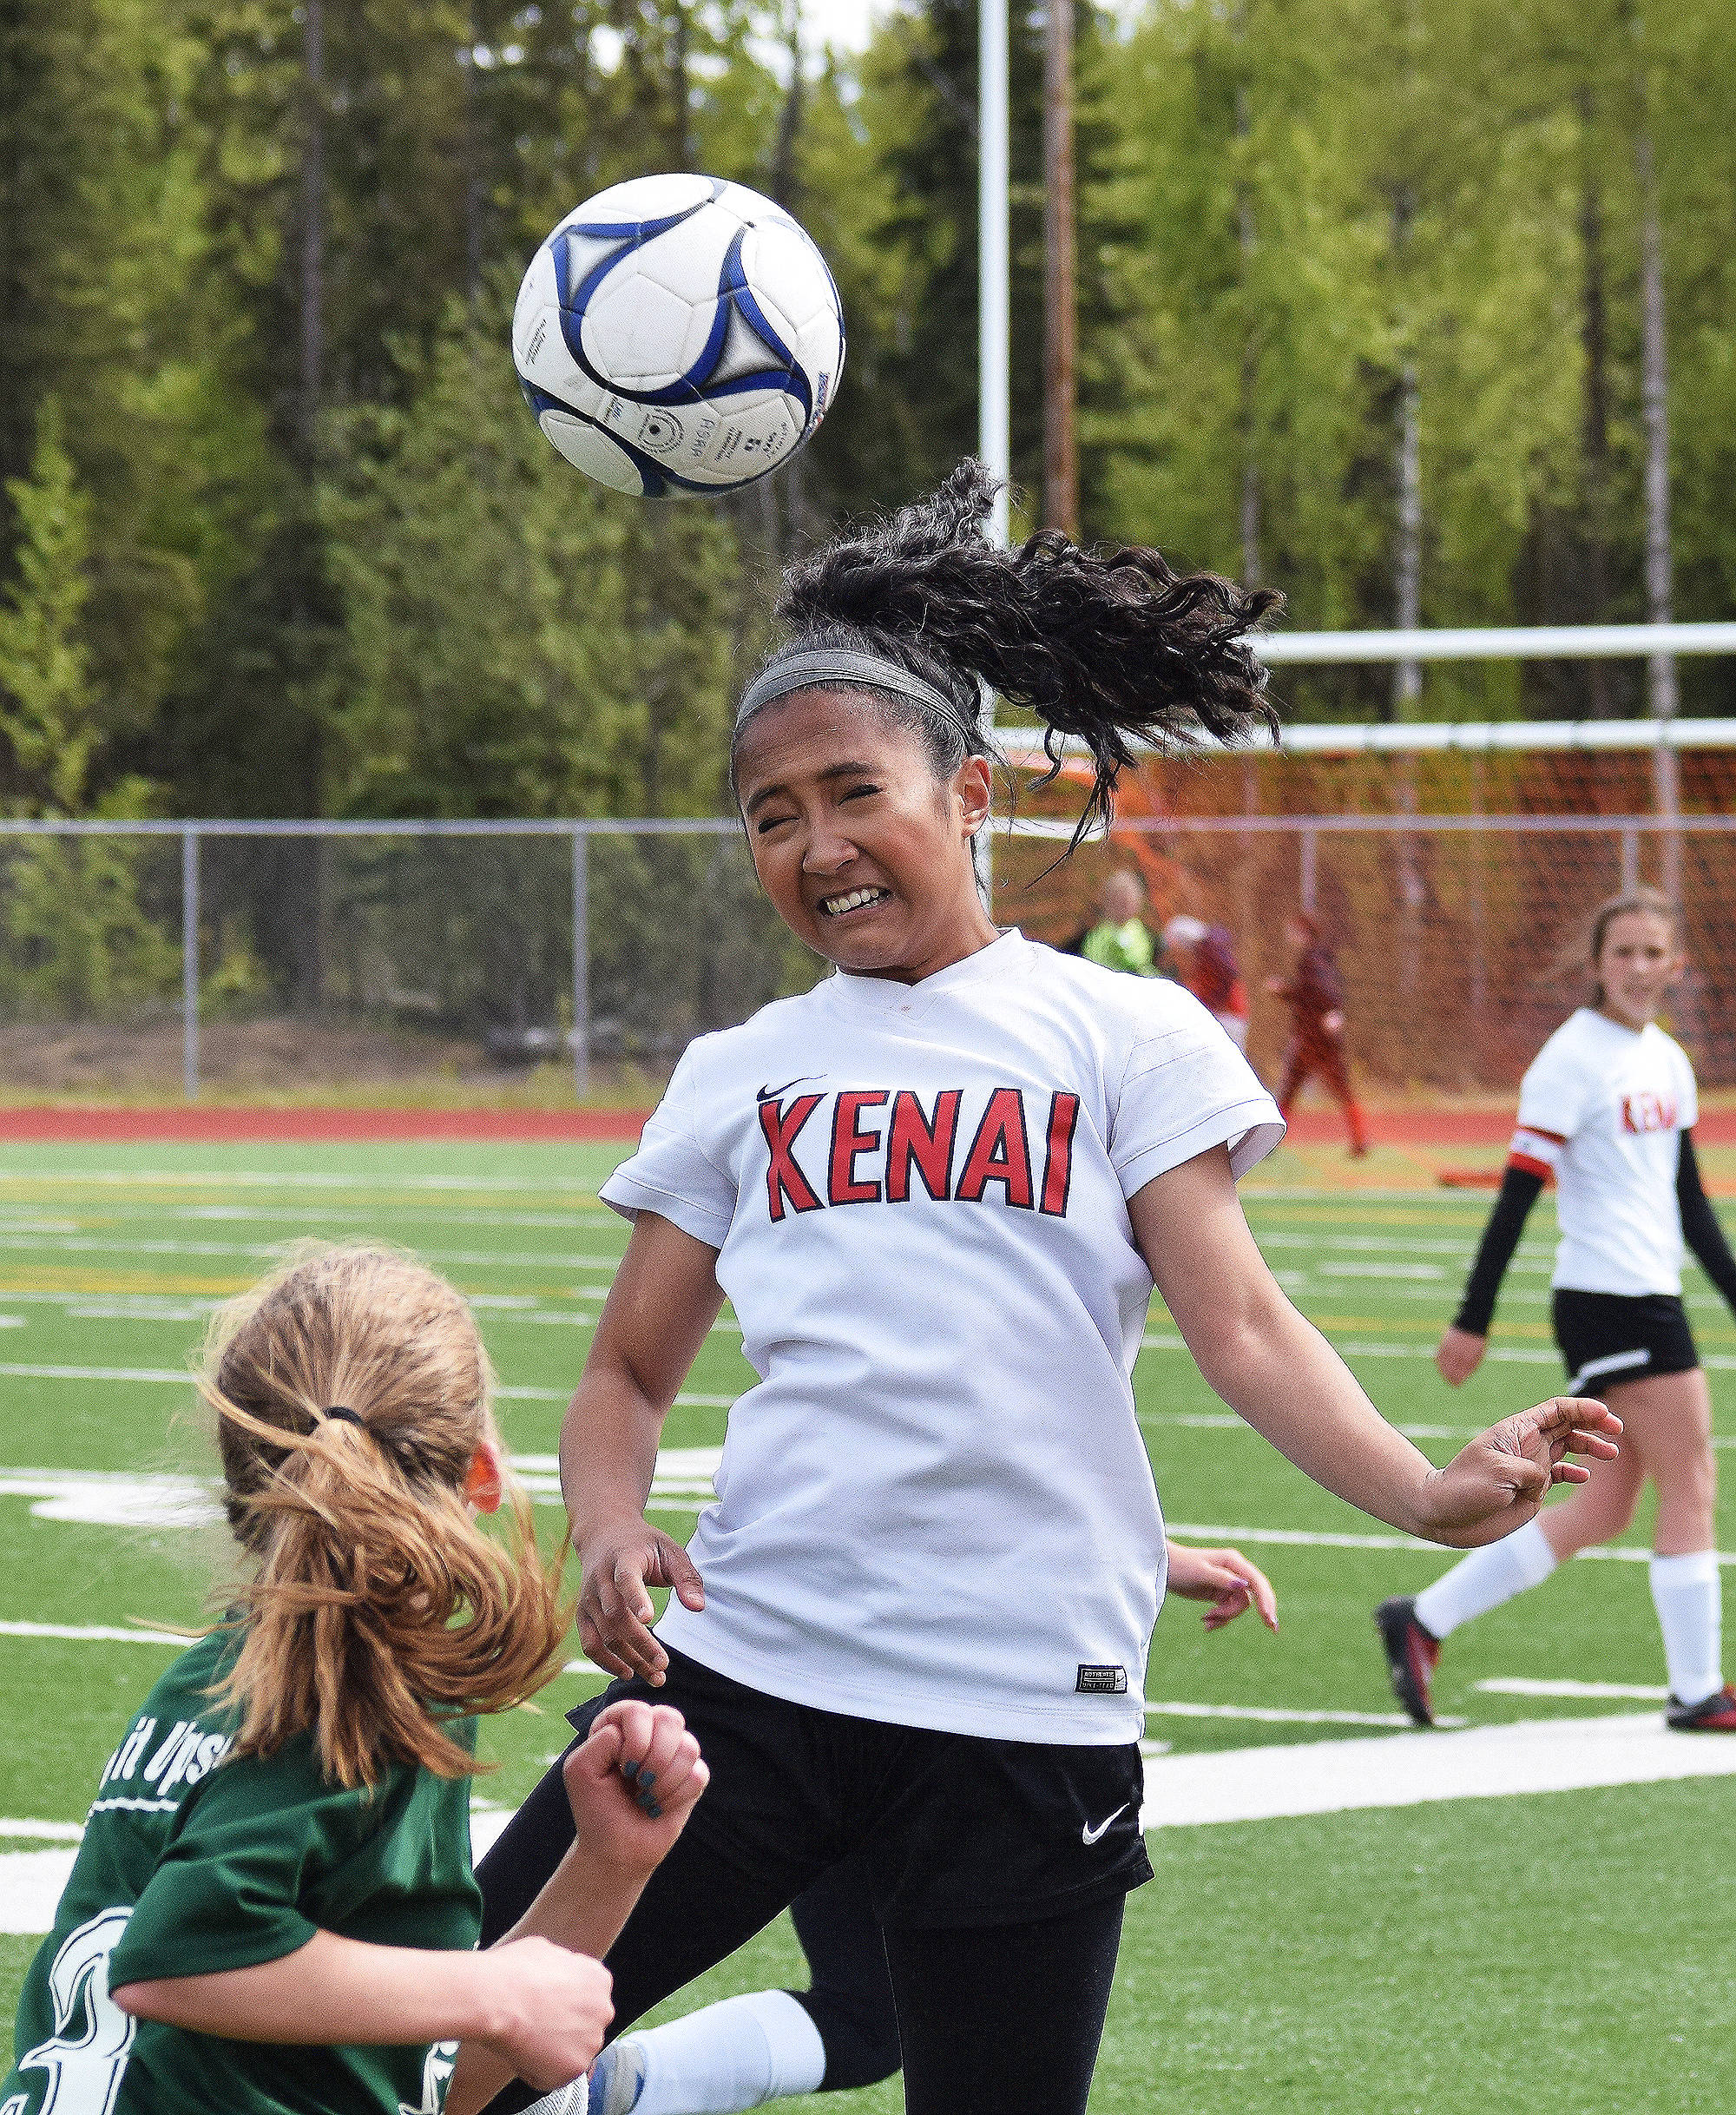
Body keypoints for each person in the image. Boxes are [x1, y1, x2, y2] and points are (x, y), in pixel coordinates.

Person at [473, 463, 1618, 2115]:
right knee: (439, 2057)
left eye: (855, 791)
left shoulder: (1121, 1034)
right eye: (770, 813)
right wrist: (605, 1526)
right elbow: (625, 1380)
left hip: (1023, 1715)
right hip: (749, 1686)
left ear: (978, 791)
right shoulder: (743, 1069)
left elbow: (1240, 1325)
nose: (817, 845)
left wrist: (1426, 1493)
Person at [1, 1244, 709, 2115]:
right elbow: (181, 1959)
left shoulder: (222, 1676)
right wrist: (493, 1992)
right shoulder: (362, 1690)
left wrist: (608, 1863)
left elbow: (433, 2086)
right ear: (481, 1473)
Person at [579, 1540, 1278, 2115]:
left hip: (848, 1670)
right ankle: (567, 2084)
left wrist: (1146, 1548)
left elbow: (963, 1434)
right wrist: (608, 1516)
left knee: (867, 2017)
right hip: (846, 1683)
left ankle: (608, 2087)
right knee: (493, 2026)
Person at [1378, 887, 1736, 1733]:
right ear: (1595, 964)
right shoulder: (1570, 1060)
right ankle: (1696, 1691)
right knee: (1691, 1479)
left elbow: (1688, 1204)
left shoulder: (1666, 1062)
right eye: (1623, 954)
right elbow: (1514, 1196)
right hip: (1611, 1302)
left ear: (1674, 965)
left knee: (1606, 1507)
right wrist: (1473, 1315)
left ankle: (1421, 1619)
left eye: (1654, 954)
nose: (1639, 969)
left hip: (1646, 1293)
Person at [1266, 910, 1368, 1156]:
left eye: (1294, 930)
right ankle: (1359, 1141)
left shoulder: (1313, 960)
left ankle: (1270, 1143)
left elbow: (1320, 991)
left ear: (1303, 932)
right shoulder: (1319, 958)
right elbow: (1314, 991)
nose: (1290, 935)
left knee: (1293, 1088)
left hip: (1314, 1037)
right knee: (1332, 1088)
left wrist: (1284, 991)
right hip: (1316, 1036)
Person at [1163, 914, 1251, 1050]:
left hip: (1227, 1015)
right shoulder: (1210, 950)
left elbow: (1216, 988)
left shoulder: (1211, 953)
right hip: (1229, 1013)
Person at [1067, 866, 1160, 976]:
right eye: (1121, 902)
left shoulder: (1140, 930)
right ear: (1108, 901)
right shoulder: (1098, 936)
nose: (1125, 908)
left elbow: (1145, 962)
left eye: (1130, 902)